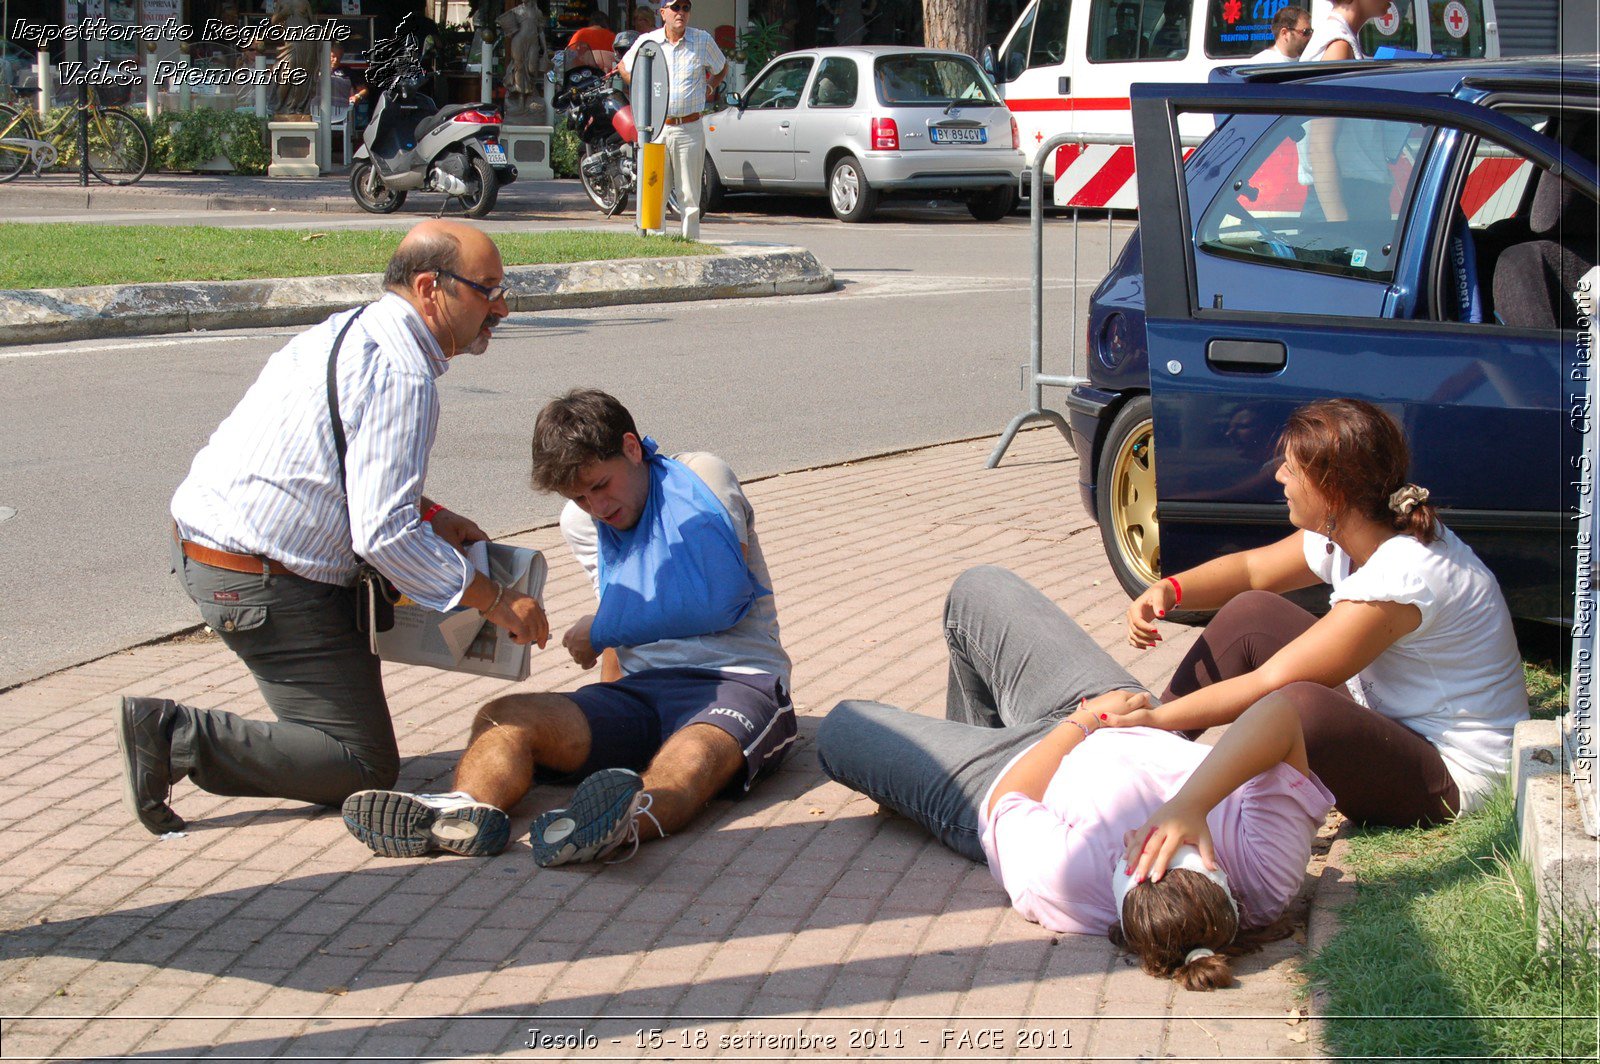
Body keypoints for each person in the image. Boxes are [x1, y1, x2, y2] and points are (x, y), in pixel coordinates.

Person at [115, 221, 549, 837]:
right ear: (431, 289)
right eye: (487, 290)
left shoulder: (349, 329)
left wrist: (431, 513)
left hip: (212, 549)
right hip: (260, 582)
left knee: (350, 733)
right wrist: (497, 599)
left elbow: (337, 461)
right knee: (360, 762)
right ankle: (176, 736)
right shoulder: (404, 375)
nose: (500, 307)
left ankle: (196, 735)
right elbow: (384, 538)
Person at [341, 389, 796, 866]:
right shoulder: (580, 521)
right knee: (506, 717)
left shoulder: (701, 475)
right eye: (579, 495)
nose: (596, 506)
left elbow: (718, 599)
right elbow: (622, 612)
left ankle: (614, 823)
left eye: (600, 485)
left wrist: (599, 629)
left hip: (739, 681)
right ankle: (465, 812)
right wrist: (608, 712)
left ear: (631, 448)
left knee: (689, 761)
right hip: (642, 693)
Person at [817, 572, 1334, 990]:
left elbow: (1010, 799)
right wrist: (1191, 802)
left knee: (843, 727)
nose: (1137, 836)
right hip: (1128, 715)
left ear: (1121, 905)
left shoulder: (1070, 881)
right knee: (976, 589)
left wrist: (1081, 725)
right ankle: (948, 755)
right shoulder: (1265, 878)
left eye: (1132, 858)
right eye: (1160, 845)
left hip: (1017, 768)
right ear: (1217, 874)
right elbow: (1281, 715)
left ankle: (945, 783)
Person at [1111, 398, 1528, 825]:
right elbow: (1254, 571)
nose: (1278, 476)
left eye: (1291, 468)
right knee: (1253, 612)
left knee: (1298, 704)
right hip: (1395, 728)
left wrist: (1158, 715)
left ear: (1333, 489)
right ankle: (1149, 753)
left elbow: (1270, 682)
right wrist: (1170, 588)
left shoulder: (1404, 575)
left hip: (1453, 779)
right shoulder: (1359, 526)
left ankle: (1177, 789)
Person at [618, 0, 726, 240]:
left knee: (690, 193)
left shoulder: (702, 40)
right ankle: (657, 240)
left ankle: (690, 241)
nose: (681, 13)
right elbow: (623, 66)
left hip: (689, 127)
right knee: (655, 189)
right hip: (657, 128)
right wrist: (640, 90)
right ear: (663, 12)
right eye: (676, 8)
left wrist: (710, 86)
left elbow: (721, 67)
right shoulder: (649, 41)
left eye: (686, 8)